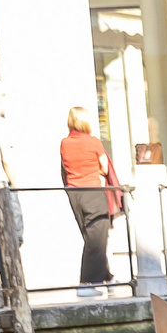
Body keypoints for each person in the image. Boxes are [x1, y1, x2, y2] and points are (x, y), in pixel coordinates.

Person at [58, 107, 120, 295]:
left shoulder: (64, 143)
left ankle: (107, 278)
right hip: (93, 191)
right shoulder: (93, 142)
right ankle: (86, 283)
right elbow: (104, 167)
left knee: (93, 236)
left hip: (75, 193)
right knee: (97, 238)